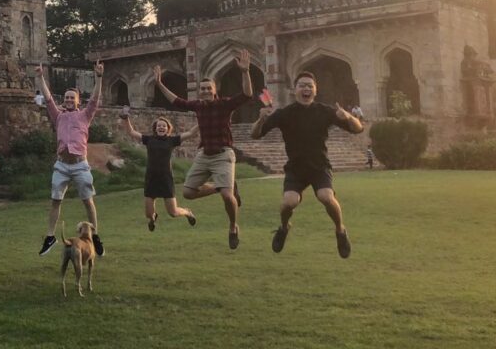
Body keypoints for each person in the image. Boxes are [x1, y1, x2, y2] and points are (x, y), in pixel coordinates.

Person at [251, 70, 364, 258]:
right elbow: (255, 135)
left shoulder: (325, 111)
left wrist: (349, 117)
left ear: (315, 90)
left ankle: (340, 231)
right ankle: (284, 227)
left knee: (326, 197)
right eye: (302, 85)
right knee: (288, 202)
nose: (306, 89)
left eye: (309, 86)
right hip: (296, 169)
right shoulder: (284, 114)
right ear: (294, 90)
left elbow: (358, 129)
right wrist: (261, 118)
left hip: (319, 167)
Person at [152, 49, 252, 250]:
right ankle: (223, 186)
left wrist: (245, 71)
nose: (205, 91)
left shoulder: (225, 104)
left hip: (224, 153)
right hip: (205, 154)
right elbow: (176, 101)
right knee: (188, 193)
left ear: (215, 90)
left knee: (226, 196)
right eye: (203, 89)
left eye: (209, 88)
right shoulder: (198, 106)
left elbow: (247, 95)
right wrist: (160, 84)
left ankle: (233, 227)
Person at [35, 60, 105, 257]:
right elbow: (48, 99)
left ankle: (96, 235)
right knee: (55, 200)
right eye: (65, 97)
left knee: (88, 201)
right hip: (62, 166)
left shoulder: (85, 115)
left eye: (71, 97)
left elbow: (95, 99)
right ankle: (50, 236)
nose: (67, 100)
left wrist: (99, 77)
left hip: (80, 165)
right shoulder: (58, 116)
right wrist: (40, 77)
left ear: (77, 101)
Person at [120, 113, 200, 231]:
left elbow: (190, 133)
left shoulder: (172, 140)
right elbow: (131, 132)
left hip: (165, 179)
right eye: (159, 126)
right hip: (151, 178)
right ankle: (153, 219)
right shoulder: (149, 139)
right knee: (148, 214)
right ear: (155, 129)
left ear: (168, 129)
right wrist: (126, 119)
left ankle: (187, 212)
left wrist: (202, 120)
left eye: (164, 126)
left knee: (173, 212)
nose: (161, 127)